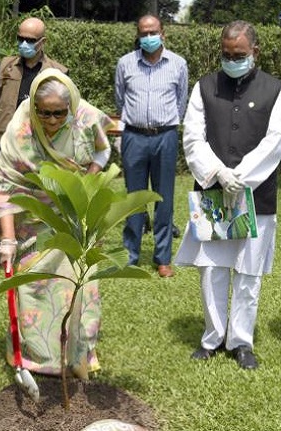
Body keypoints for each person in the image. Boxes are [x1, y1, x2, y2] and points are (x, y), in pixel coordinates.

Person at [0, 68, 116, 378]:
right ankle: (38, 356)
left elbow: (103, 151)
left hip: (74, 210)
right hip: (32, 215)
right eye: (45, 113)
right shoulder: (20, 129)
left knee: (80, 282)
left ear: (71, 107)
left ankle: (79, 354)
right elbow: (5, 188)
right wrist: (8, 241)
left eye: (58, 113)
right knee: (35, 284)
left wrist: (86, 180)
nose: (51, 121)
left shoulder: (86, 118)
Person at [175, 20, 281, 370]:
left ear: (255, 51)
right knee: (211, 269)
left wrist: (242, 177)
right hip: (213, 189)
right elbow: (193, 136)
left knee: (248, 271)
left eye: (238, 54)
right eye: (226, 54)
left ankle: (241, 341)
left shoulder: (275, 90)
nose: (232, 59)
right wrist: (219, 173)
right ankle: (212, 337)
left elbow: (274, 142)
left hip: (257, 194)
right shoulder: (204, 87)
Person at [0, 17, 69, 273]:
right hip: (4, 142)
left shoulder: (57, 73)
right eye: (20, 38)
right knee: (1, 195)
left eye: (30, 40)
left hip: (39, 147)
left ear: (42, 42)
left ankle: (35, 248)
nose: (24, 44)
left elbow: (66, 112)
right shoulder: (6, 66)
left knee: (38, 198)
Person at [114, 14, 188, 278]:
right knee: (134, 199)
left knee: (164, 198)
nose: (148, 37)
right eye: (143, 33)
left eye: (152, 32)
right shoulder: (125, 64)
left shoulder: (178, 64)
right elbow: (120, 99)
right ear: (138, 35)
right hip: (134, 136)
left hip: (165, 136)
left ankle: (163, 258)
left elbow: (181, 101)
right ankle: (130, 255)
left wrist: (165, 126)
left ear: (163, 33)